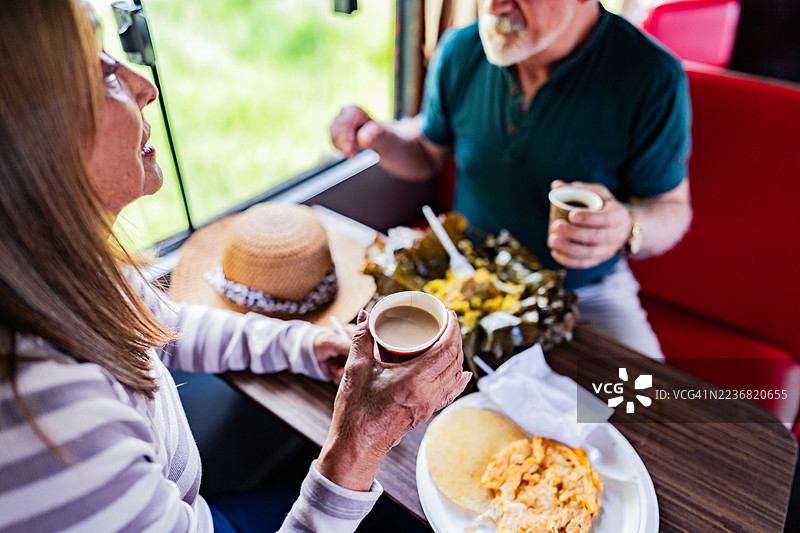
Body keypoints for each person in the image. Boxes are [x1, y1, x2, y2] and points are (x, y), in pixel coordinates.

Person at [0, 1, 471, 532]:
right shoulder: (47, 419)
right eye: (100, 69)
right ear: (23, 139)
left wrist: (305, 346)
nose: (143, 85)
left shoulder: (57, 269)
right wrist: (360, 443)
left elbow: (158, 325)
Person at [330, 0, 693, 360]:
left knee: (640, 406)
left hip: (588, 291)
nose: (494, 6)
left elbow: (672, 210)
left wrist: (627, 227)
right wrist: (378, 137)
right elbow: (428, 151)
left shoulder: (652, 75)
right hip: (465, 272)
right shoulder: (462, 50)